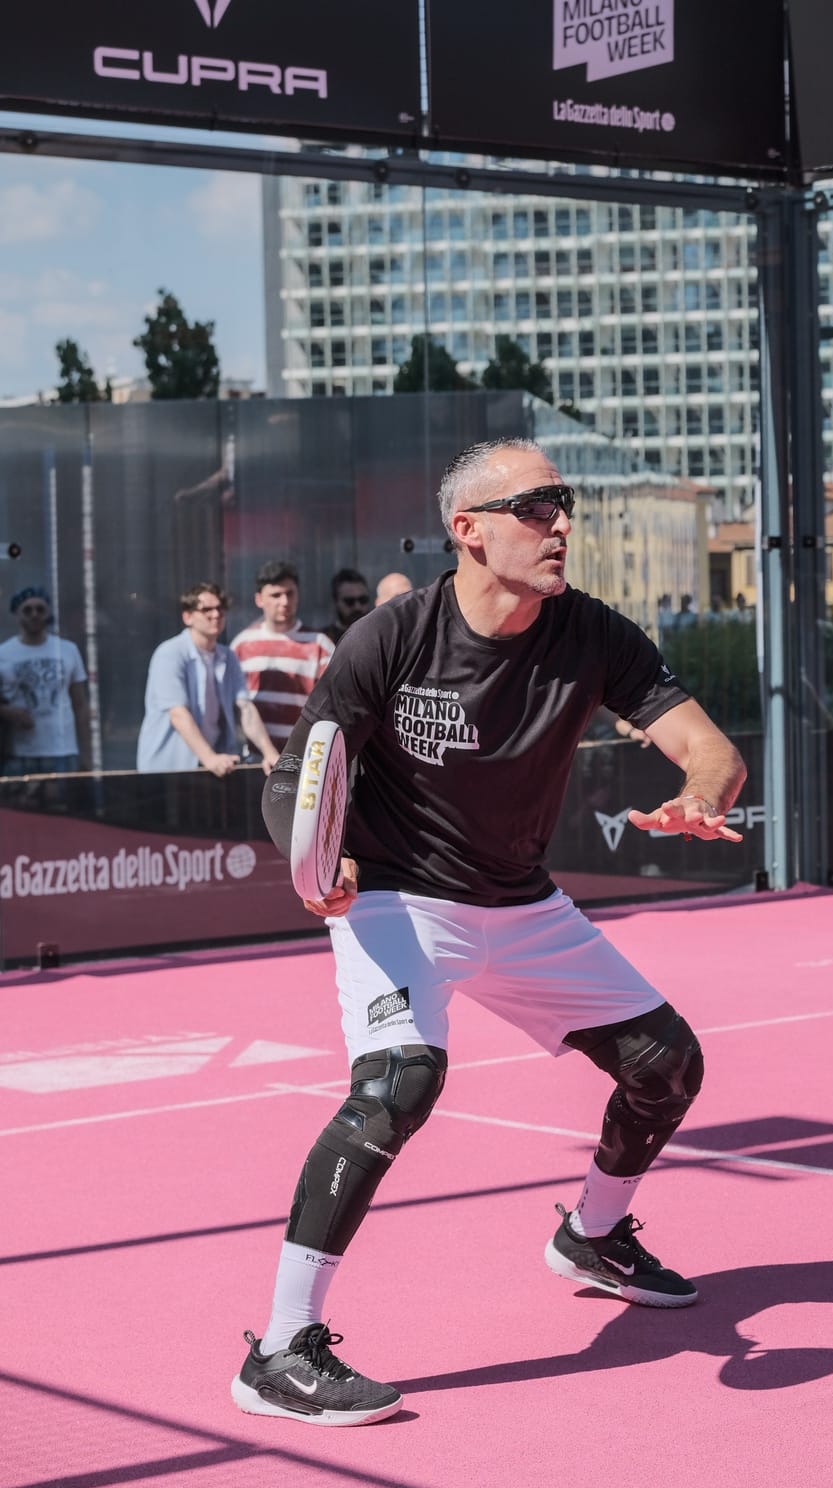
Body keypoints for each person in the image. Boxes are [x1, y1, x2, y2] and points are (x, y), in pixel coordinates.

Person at [231, 437, 747, 1428]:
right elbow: (298, 773)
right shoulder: (393, 637)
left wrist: (700, 793)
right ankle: (280, 1350)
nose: (561, 525)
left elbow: (709, 749)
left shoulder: (592, 634)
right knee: (399, 1085)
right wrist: (317, 857)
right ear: (468, 530)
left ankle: (591, 1236)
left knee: (668, 1066)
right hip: (394, 894)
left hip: (519, 900)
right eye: (537, 507)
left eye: (564, 505)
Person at [136, 582, 278, 775]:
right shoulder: (170, 653)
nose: (216, 614)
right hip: (168, 769)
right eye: (206, 610)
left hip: (212, 767)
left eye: (220, 608)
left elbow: (246, 708)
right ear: (187, 617)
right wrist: (209, 758)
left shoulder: (228, 656)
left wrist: (270, 753)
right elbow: (178, 714)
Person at [231, 561, 334, 752]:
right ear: (259, 599)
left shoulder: (320, 645)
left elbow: (330, 706)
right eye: (276, 595)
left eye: (290, 593)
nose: (285, 602)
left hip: (302, 754)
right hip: (254, 758)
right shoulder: (241, 645)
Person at [0, 585, 90, 774]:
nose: (34, 615)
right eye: (28, 610)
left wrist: (86, 755)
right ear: (17, 614)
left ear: (48, 613)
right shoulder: (4, 654)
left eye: (40, 609)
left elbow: (80, 705)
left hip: (63, 749)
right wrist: (9, 713)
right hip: (19, 752)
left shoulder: (68, 650)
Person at [321, 568, 371, 644]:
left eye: (362, 600)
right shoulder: (325, 640)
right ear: (336, 601)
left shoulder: (379, 634)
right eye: (349, 601)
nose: (357, 607)